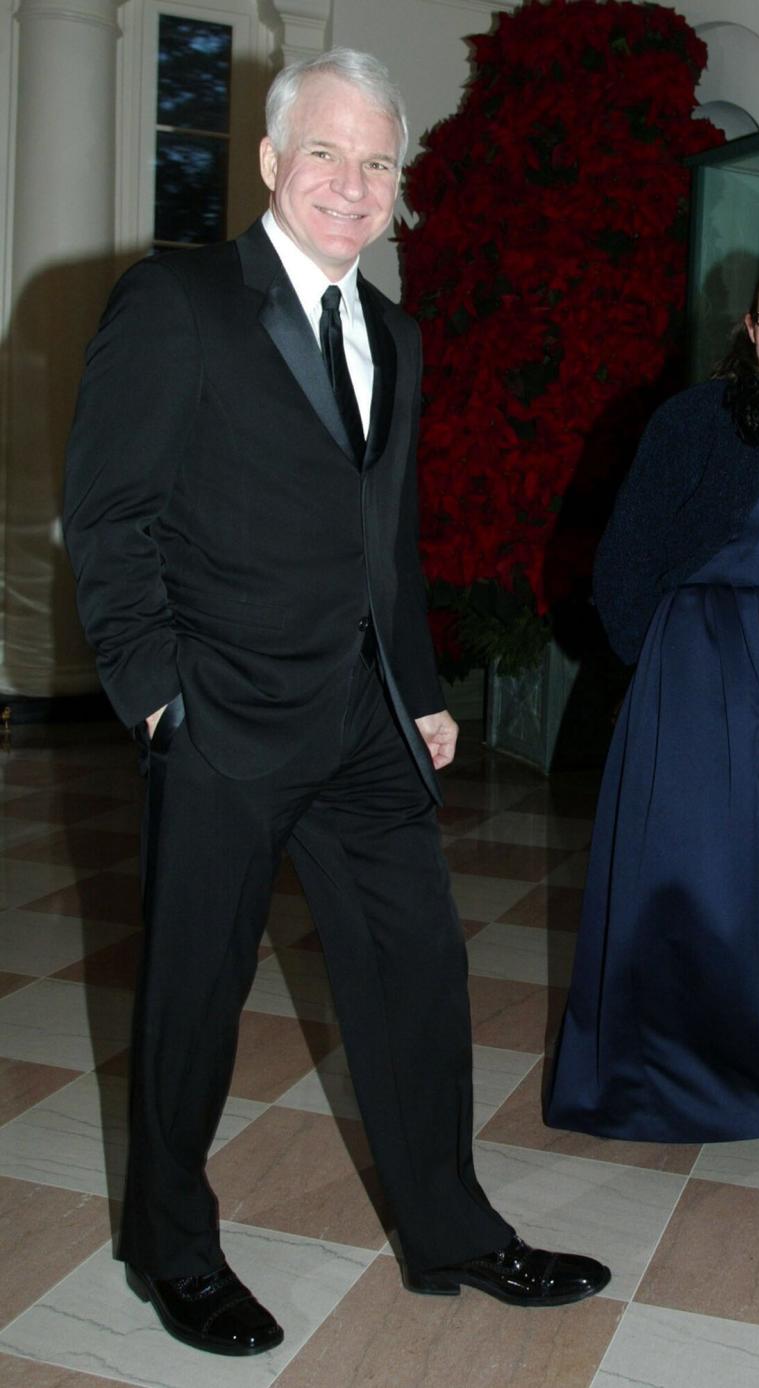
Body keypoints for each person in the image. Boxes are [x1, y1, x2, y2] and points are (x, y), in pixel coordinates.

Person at [63, 49, 609, 1358]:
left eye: (378, 163)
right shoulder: (181, 302)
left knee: (418, 971)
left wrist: (415, 688)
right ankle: (168, 1246)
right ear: (269, 161)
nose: (353, 185)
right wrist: (154, 698)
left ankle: (452, 1231)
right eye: (327, 153)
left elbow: (386, 536)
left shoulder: (398, 335)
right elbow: (110, 513)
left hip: (362, 719)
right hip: (221, 719)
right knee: (193, 998)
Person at [546, 251, 759, 1189]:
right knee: (687, 883)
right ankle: (661, 1083)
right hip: (691, 661)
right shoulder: (695, 417)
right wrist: (655, 671)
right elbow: (622, 560)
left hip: (755, 658)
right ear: (748, 327)